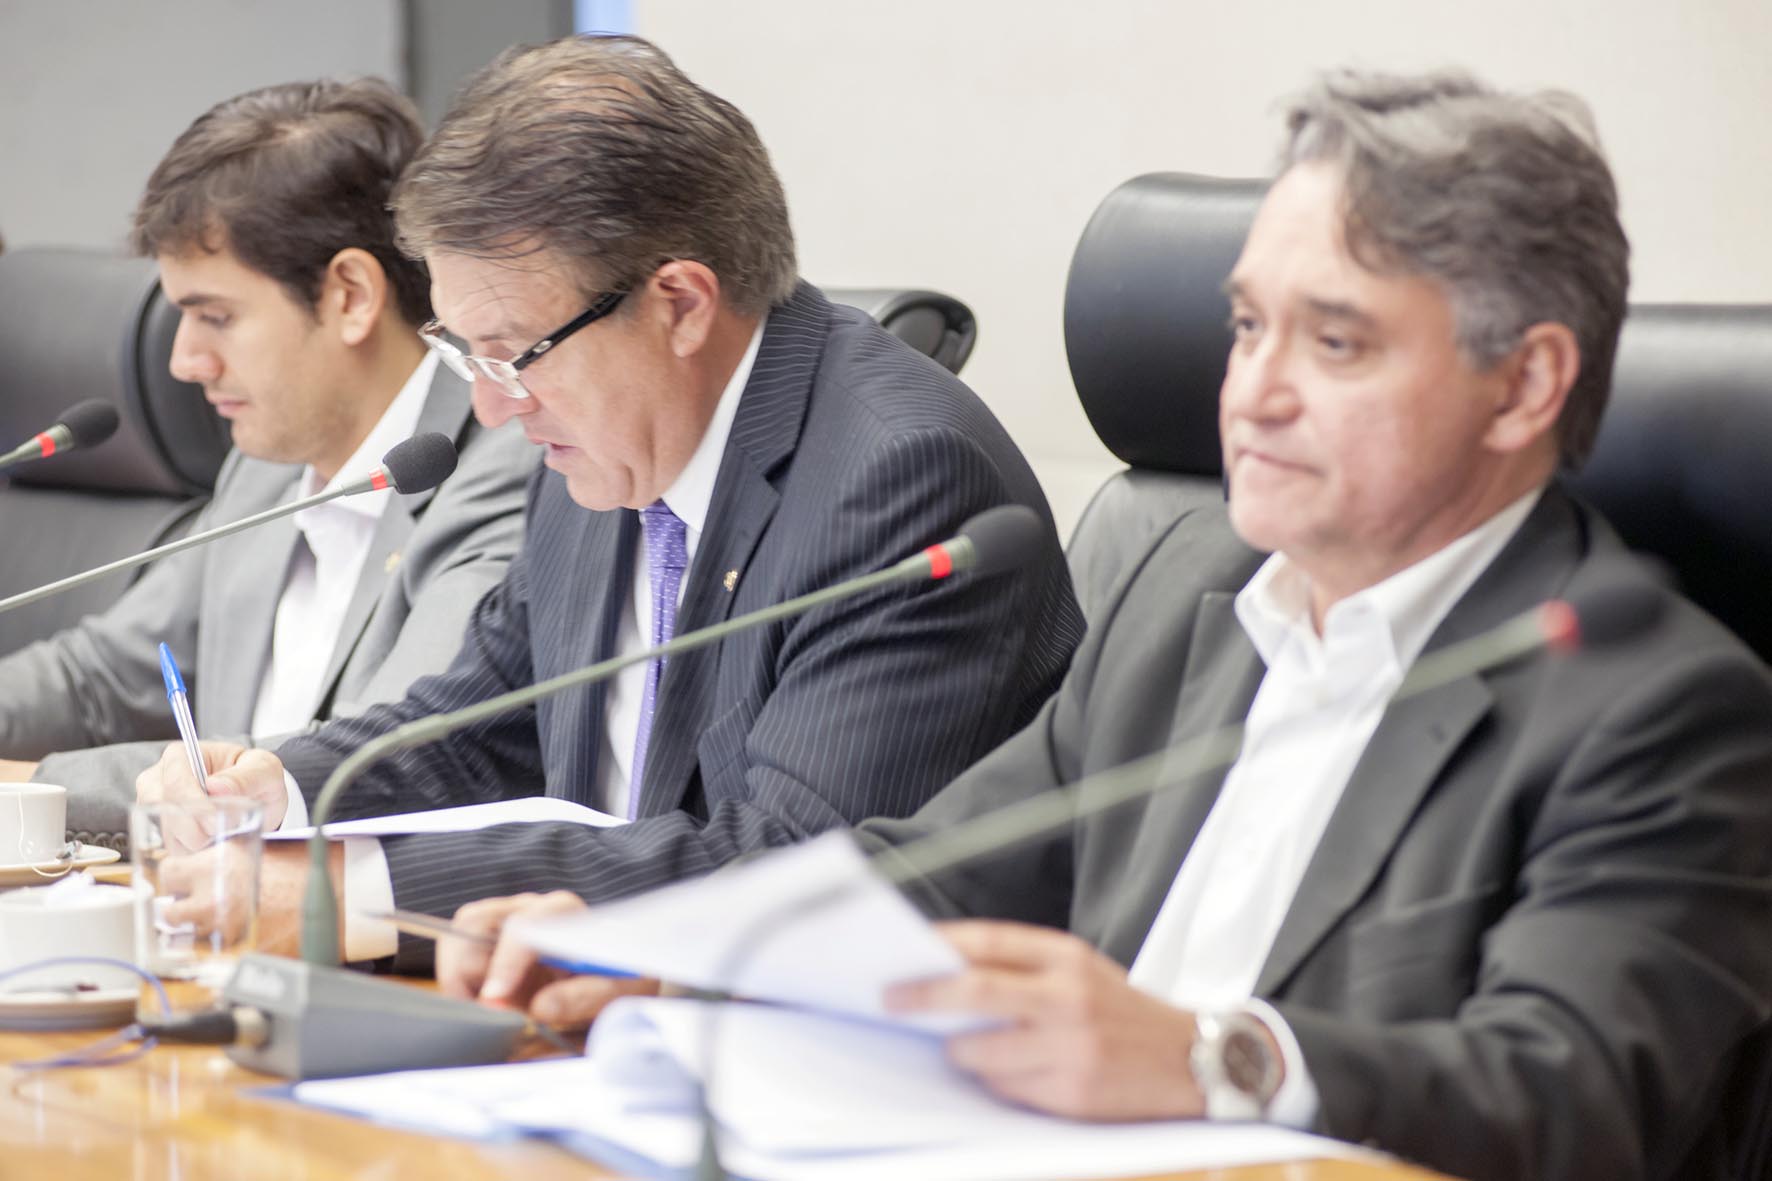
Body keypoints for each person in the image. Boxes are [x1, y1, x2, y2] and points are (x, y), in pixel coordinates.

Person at [449, 70, 1772, 1181]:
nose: (1250, 393)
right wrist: (681, 960)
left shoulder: (1657, 706)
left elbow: (1569, 1095)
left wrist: (1210, 1058)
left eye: (1335, 343)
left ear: (1523, 383)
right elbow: (935, 870)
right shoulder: (1186, 599)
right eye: (1246, 326)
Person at [137, 35, 1083, 969]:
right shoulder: (601, 449)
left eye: (511, 353)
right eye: (467, 353)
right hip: (578, 1002)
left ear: (680, 304)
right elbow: (483, 725)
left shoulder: (903, 480)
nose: (493, 408)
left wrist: (364, 893)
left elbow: (792, 863)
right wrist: (279, 787)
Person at [0, 79, 536, 852]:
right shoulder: (266, 464)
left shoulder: (498, 469)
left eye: (215, 317)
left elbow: (377, 759)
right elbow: (100, 676)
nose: (184, 361)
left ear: (350, 295)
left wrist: (31, 787)